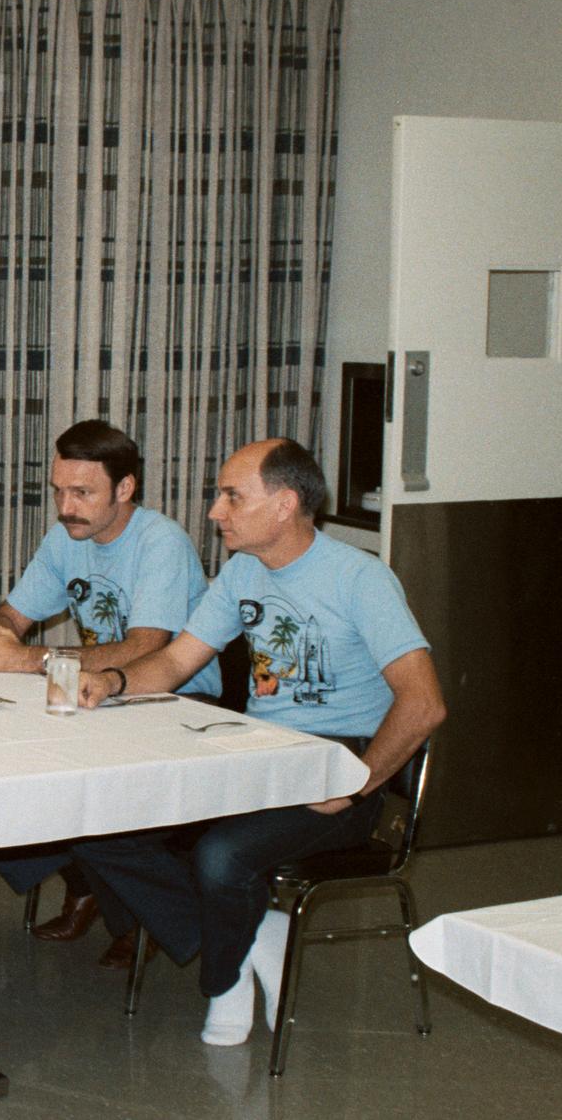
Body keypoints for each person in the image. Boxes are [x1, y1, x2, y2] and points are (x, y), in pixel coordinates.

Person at [69, 439, 445, 1046]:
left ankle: (223, 983)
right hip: (258, 748)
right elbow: (173, 663)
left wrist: (357, 782)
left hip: (339, 762)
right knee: (97, 823)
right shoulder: (244, 571)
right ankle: (252, 935)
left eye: (232, 496)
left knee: (221, 857)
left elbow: (424, 703)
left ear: (284, 505)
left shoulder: (360, 578)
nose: (215, 512)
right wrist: (111, 682)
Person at [0, 420, 218, 967]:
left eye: (82, 493)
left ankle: (133, 908)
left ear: (124, 489)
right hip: (96, 699)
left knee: (82, 799)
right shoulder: (65, 538)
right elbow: (16, 612)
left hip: (176, 706)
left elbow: (148, 646)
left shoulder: (160, 541)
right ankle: (90, 882)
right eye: (59, 491)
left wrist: (27, 659)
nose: (65, 506)